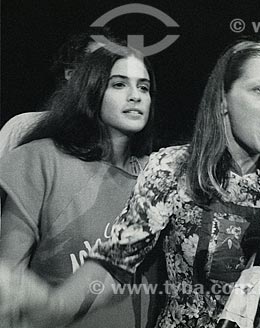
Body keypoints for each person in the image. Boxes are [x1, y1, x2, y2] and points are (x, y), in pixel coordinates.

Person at [0, 40, 260, 328]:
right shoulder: (170, 169)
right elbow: (112, 264)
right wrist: (52, 306)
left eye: (144, 87)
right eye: (119, 84)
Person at [0, 44, 161, 328]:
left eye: (144, 88)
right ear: (91, 89)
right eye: (119, 84)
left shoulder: (159, 175)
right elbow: (8, 281)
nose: (135, 96)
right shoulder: (41, 160)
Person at [0, 28, 119, 158]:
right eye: (97, 65)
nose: (109, 73)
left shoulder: (127, 140)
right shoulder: (24, 126)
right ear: (71, 73)